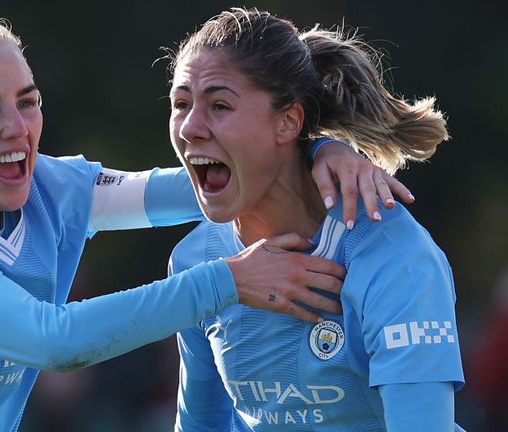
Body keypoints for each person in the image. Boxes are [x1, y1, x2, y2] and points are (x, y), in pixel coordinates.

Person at [0, 2, 414, 431]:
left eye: (27, 101)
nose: (17, 128)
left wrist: (321, 149)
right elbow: (53, 341)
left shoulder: (54, 189)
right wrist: (226, 282)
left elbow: (222, 178)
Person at [166, 8, 464, 431]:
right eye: (180, 104)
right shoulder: (198, 260)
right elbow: (201, 425)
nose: (190, 128)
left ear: (288, 121)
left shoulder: (396, 258)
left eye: (219, 105)